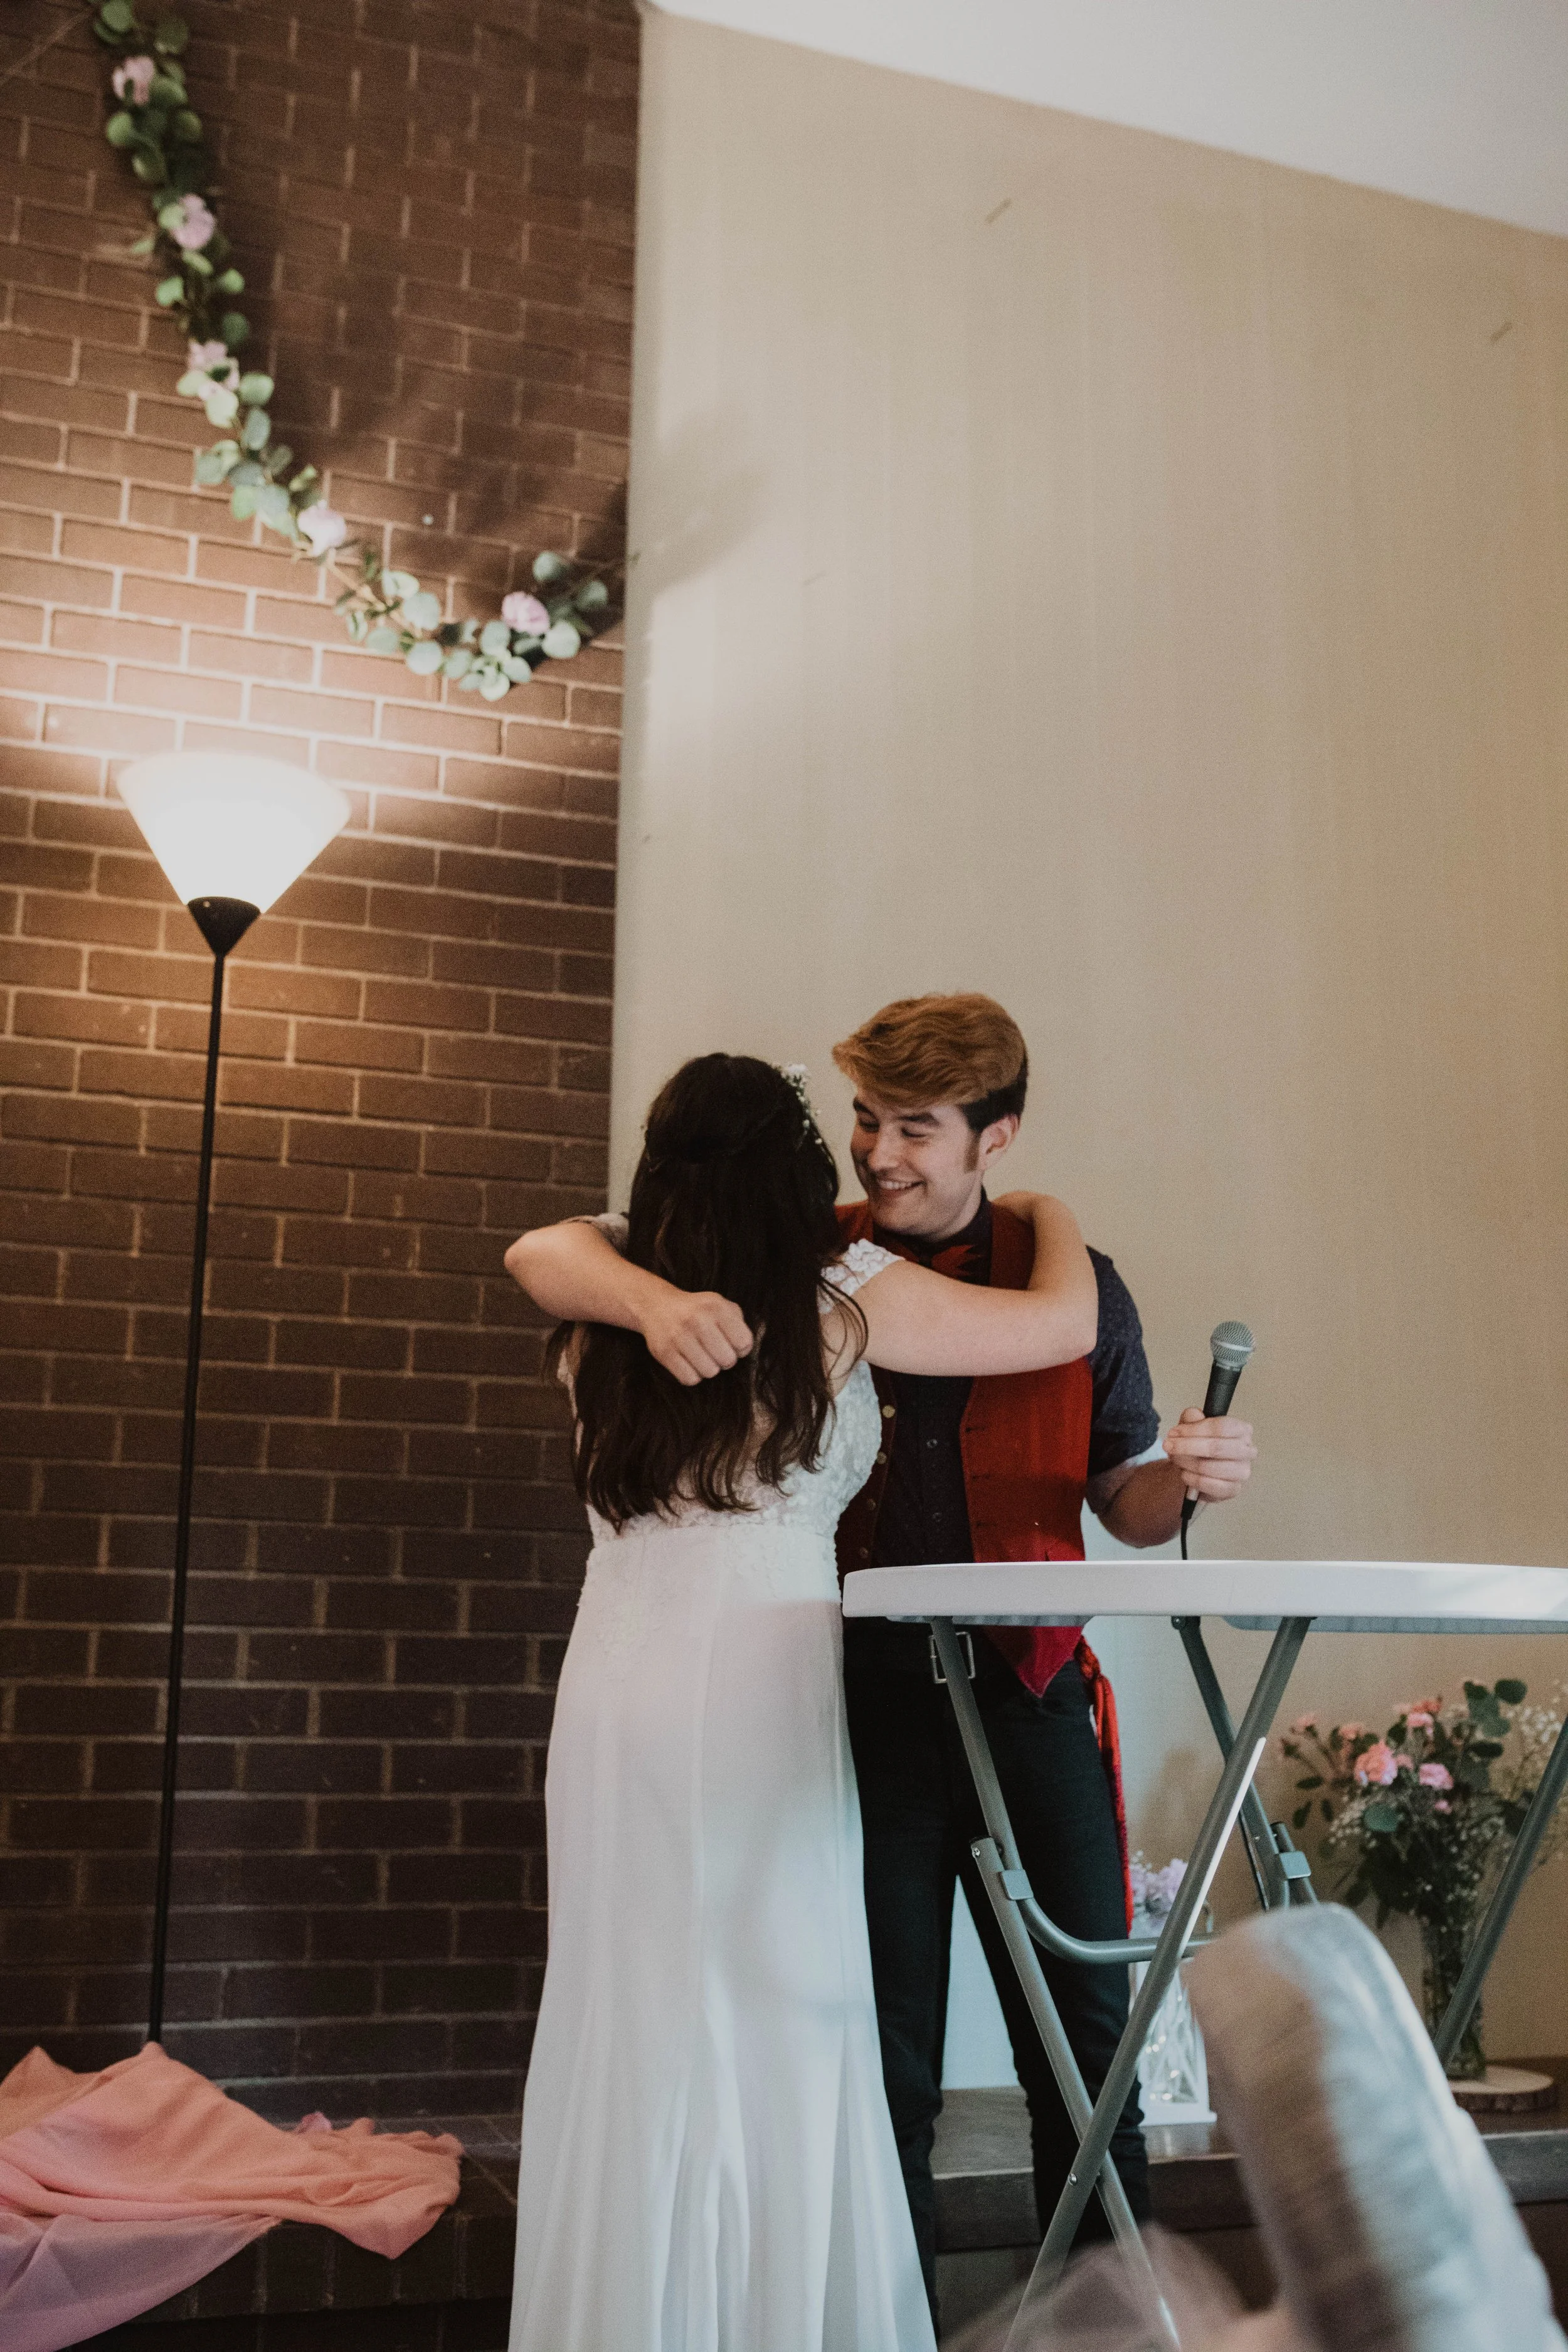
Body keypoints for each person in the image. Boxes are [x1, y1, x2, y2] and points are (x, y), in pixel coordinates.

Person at [502, 1051, 1101, 2352]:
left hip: (617, 1686)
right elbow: (1062, 1325)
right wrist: (1050, 1211)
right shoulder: (840, 1305)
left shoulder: (597, 1329)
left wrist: (641, 1293)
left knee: (639, 2007)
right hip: (763, 1691)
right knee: (777, 2006)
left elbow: (539, 1248)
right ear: (797, 1178)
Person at [827, 993, 1257, 2316]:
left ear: (993, 1137)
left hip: (1032, 1700)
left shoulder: (1080, 1284)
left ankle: (1105, 2337)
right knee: (878, 2067)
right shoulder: (808, 1257)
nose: (877, 1153)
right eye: (862, 1118)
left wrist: (1183, 1479)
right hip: (856, 1715)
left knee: (1083, 2061)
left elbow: (1120, 1504)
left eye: (913, 1127)